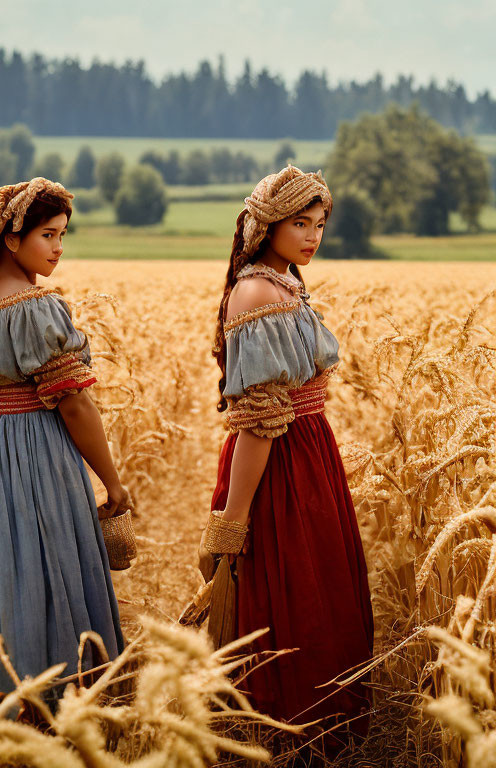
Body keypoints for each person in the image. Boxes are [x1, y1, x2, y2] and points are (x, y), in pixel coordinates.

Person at [0, 178, 127, 713]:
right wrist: (113, 479)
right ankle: (60, 700)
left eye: (63, 235)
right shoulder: (35, 309)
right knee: (47, 561)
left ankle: (2, 698)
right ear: (10, 240)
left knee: (0, 567)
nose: (59, 247)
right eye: (47, 235)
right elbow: (75, 405)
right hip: (41, 456)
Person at [199, 166, 374, 757]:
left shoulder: (284, 285)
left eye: (320, 224)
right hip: (279, 460)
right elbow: (260, 424)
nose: (313, 236)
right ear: (268, 223)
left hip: (307, 450)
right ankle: (291, 720)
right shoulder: (257, 293)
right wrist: (233, 516)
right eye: (300, 223)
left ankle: (321, 716)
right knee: (290, 580)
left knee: (315, 580)